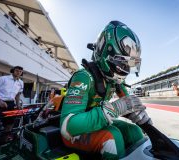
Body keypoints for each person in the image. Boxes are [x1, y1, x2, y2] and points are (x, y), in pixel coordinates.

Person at [60, 21, 152, 159]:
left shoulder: (113, 80)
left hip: (94, 124)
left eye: (129, 64)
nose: (125, 69)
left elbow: (128, 103)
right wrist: (114, 109)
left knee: (134, 131)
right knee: (112, 138)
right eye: (122, 62)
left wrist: (142, 118)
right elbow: (68, 126)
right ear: (105, 53)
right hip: (73, 132)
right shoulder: (83, 76)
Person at [0, 66, 24, 142]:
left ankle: (4, 141)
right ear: (13, 71)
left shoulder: (21, 83)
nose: (18, 72)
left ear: (21, 73)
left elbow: (18, 95)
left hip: (10, 104)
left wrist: (18, 105)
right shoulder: (3, 78)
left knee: (9, 123)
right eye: (16, 70)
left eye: (20, 71)